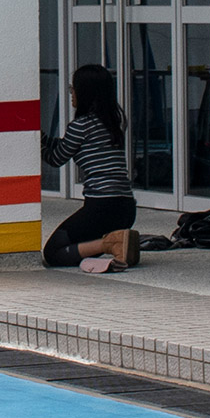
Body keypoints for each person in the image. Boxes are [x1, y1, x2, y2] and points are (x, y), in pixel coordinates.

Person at [40, 64, 140, 272]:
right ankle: (118, 242)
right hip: (126, 207)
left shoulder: (80, 126)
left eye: (72, 89)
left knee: (53, 253)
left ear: (84, 92)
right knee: (78, 249)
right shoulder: (115, 121)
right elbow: (65, 145)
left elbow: (56, 158)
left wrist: (34, 141)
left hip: (100, 206)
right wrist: (42, 138)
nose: (71, 94)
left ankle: (110, 244)